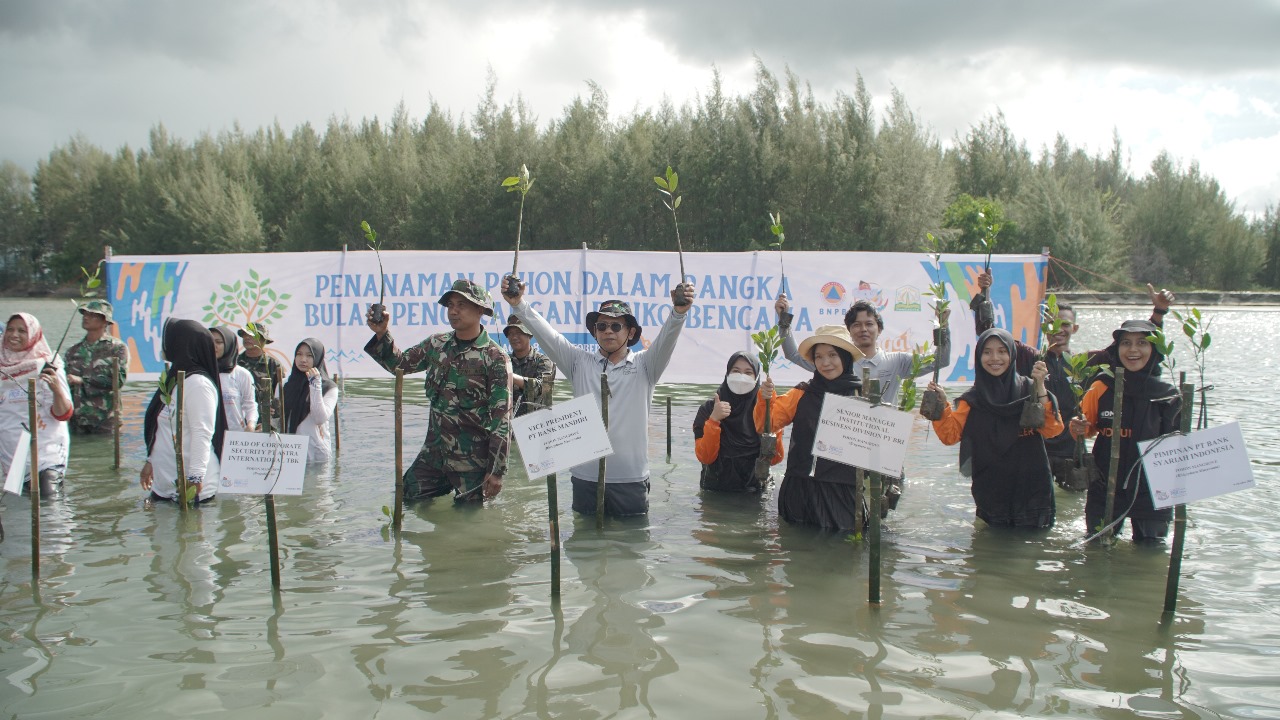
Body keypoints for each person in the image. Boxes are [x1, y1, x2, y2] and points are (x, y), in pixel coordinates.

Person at [503, 279, 695, 517]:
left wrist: (678, 313)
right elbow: (548, 336)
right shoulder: (578, 363)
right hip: (585, 479)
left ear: (631, 332)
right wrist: (519, 305)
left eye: (616, 326)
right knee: (584, 547)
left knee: (632, 548)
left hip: (630, 480)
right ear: (594, 331)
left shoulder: (647, 365)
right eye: (602, 325)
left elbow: (668, 339)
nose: (608, 331)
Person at [974, 269, 1176, 491]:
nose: (1059, 330)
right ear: (1044, 325)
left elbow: (1135, 350)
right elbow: (992, 339)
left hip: (1073, 452)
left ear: (1075, 329)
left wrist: (1158, 313)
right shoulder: (1031, 358)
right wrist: (985, 293)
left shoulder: (1089, 362)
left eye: (1065, 325)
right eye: (1052, 323)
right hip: (1035, 449)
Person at [775, 295, 950, 512]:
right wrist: (783, 319)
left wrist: (943, 327)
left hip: (882, 448)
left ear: (879, 328)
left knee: (883, 515)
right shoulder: (833, 362)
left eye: (869, 324)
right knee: (852, 509)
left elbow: (940, 360)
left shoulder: (898, 362)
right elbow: (792, 353)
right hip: (845, 453)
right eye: (856, 325)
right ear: (848, 331)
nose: (863, 329)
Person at [365, 279, 511, 502]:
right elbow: (400, 366)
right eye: (450, 305)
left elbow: (502, 419)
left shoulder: (495, 357)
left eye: (461, 305)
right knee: (407, 498)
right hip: (434, 455)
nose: (453, 311)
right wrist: (382, 333)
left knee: (468, 522)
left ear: (480, 309)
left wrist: (497, 470)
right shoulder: (436, 345)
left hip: (472, 463)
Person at [926, 328, 1063, 529]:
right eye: (987, 352)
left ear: (1012, 355)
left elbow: (1052, 430)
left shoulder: (1031, 391)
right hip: (992, 494)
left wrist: (1040, 386)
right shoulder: (972, 401)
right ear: (979, 356)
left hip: (1033, 492)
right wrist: (942, 405)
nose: (995, 358)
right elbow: (950, 436)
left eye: (1002, 351)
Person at [1070, 320, 1181, 541]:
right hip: (1105, 482)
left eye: (1142, 343)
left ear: (1154, 350)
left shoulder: (1169, 395)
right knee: (1097, 544)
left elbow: (1180, 448)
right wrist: (1077, 426)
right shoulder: (1101, 387)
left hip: (1152, 487)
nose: (1133, 350)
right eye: (1126, 343)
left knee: (1151, 549)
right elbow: (1085, 430)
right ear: (1116, 349)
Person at [756, 325, 867, 531]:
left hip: (844, 492)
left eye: (832, 355)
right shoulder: (801, 393)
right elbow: (766, 425)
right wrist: (765, 401)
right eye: (819, 357)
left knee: (842, 547)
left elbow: (879, 452)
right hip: (800, 489)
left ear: (845, 357)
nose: (825, 363)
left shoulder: (863, 397)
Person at [141, 319, 229, 504]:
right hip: (165, 485)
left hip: (192, 488)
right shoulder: (174, 378)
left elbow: (202, 432)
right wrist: (151, 461)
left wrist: (195, 477)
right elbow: (163, 428)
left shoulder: (198, 384)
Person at [0, 313, 73, 496]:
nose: (14, 334)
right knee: (18, 515)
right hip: (12, 456)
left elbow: (63, 413)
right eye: (10, 329)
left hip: (45, 453)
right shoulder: (2, 367)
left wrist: (56, 389)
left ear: (33, 335)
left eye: (22, 331)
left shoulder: (47, 364)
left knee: (50, 506)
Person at [693, 351, 784, 493]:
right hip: (716, 491)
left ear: (756, 378)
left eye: (748, 373)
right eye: (736, 371)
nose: (742, 377)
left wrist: (769, 410)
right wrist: (714, 421)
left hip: (756, 490)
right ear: (727, 374)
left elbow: (775, 459)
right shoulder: (709, 408)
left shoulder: (764, 409)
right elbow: (705, 457)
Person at [64, 299, 129, 435]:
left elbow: (118, 381)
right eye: (85, 314)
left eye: (92, 315)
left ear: (105, 321)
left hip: (106, 421)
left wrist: (82, 380)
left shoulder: (117, 348)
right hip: (77, 421)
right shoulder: (73, 351)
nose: (86, 317)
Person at [283, 338, 340, 463]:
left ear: (318, 358)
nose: (303, 360)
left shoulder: (329, 387)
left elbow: (319, 418)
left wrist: (315, 386)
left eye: (309, 356)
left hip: (315, 455)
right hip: (287, 452)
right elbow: (279, 419)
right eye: (299, 354)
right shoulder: (285, 385)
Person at [503, 314, 556, 417]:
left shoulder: (543, 361)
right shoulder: (504, 362)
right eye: (510, 333)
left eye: (518, 332)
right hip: (509, 426)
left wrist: (511, 376)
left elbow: (543, 388)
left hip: (536, 426)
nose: (514, 337)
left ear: (529, 335)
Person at [209, 326, 258, 432]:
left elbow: (250, 404)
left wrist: (250, 424)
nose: (214, 346)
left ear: (228, 344)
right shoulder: (202, 373)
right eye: (210, 341)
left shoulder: (241, 374)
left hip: (234, 436)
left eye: (218, 342)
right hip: (206, 435)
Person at [237, 324, 286, 425]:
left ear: (263, 340)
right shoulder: (235, 363)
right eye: (245, 335)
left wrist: (274, 411)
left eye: (252, 335)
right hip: (239, 419)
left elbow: (281, 396)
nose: (246, 338)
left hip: (266, 422)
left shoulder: (273, 365)